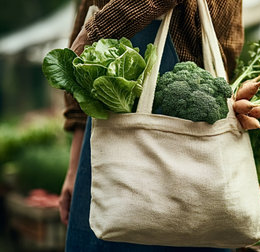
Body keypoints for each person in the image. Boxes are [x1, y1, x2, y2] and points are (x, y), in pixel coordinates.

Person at [59, 0, 244, 251]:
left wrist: (97, 31)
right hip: (106, 137)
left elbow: (83, 40)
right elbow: (79, 64)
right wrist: (73, 168)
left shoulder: (98, 30)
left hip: (196, 137)